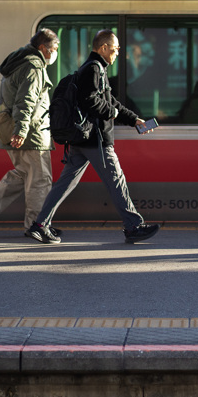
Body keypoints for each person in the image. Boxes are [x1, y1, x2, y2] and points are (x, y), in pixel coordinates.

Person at [27, 30, 160, 245]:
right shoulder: (94, 69)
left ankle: (40, 225)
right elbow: (91, 100)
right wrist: (111, 113)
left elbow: (111, 101)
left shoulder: (93, 68)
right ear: (104, 48)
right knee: (116, 181)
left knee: (65, 183)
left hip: (82, 140)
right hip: (95, 140)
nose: (117, 53)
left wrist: (134, 119)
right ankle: (133, 226)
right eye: (115, 49)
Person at [0, 28, 59, 235]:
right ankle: (37, 225)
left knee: (23, 173)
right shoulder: (34, 67)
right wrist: (21, 131)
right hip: (30, 134)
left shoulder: (19, 63)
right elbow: (26, 101)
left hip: (19, 130)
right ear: (43, 48)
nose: (54, 54)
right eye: (54, 49)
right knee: (40, 180)